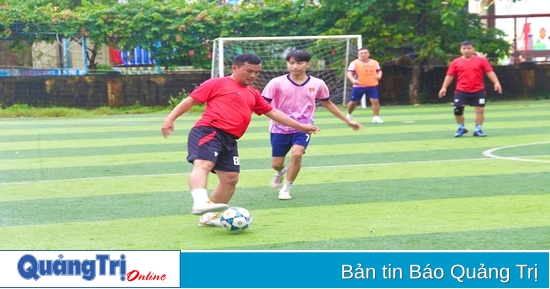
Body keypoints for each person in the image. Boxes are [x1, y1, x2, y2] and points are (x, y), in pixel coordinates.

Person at [161, 53, 320, 226]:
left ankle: (208, 217)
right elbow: (190, 101)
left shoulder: (253, 93)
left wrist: (301, 126)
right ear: (235, 68)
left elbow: (273, 112)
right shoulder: (217, 83)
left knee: (230, 179)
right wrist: (170, 119)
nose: (253, 76)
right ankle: (200, 201)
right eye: (249, 71)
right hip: (209, 130)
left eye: (257, 72)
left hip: (230, 139)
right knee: (204, 164)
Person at [262, 50, 363, 200]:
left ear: (307, 64)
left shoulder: (317, 84)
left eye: (299, 63)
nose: (295, 66)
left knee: (297, 154)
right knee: (276, 163)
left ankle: (286, 188)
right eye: (291, 63)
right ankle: (280, 171)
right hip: (279, 128)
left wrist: (347, 120)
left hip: (304, 127)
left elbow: (327, 103)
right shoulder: (276, 83)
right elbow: (264, 105)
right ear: (287, 64)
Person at [438, 41, 502, 137]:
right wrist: (444, 87)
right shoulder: (456, 62)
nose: (466, 51)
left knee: (479, 109)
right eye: (464, 49)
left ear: (473, 49)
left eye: (469, 48)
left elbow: (489, 72)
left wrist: (496, 82)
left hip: (478, 90)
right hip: (461, 90)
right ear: (460, 50)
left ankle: (478, 129)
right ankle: (461, 127)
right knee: (458, 109)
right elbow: (450, 75)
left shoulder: (481, 61)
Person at [345, 48, 384, 124]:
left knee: (375, 101)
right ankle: (349, 114)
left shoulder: (374, 62)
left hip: (372, 85)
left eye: (365, 53)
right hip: (359, 86)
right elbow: (349, 73)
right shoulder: (354, 63)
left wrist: (379, 75)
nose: (363, 54)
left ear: (368, 54)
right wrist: (353, 80)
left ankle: (376, 117)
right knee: (353, 102)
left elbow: (379, 70)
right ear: (358, 54)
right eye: (361, 53)